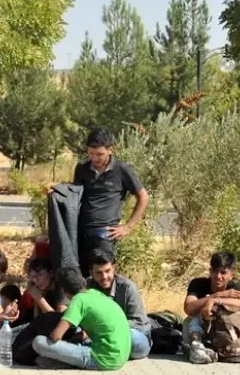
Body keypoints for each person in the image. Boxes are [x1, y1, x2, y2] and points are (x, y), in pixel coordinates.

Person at [69, 128, 150, 265]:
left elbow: (143, 197)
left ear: (110, 150)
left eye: (99, 154)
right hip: (81, 231)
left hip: (105, 234)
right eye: (91, 153)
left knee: (102, 274)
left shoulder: (122, 169)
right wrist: (57, 190)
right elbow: (75, 193)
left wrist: (128, 227)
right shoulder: (82, 168)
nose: (94, 158)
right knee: (81, 278)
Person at [32, 267, 131, 371]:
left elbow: (56, 336)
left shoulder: (78, 301)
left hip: (102, 360)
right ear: (83, 281)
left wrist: (56, 336)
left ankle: (68, 361)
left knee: (39, 342)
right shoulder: (95, 293)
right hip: (122, 357)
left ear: (64, 292)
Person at [182, 252, 240, 365]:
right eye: (215, 271)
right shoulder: (198, 284)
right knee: (192, 319)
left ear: (231, 274)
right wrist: (215, 296)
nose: (218, 276)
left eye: (223, 273)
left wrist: (215, 301)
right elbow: (188, 307)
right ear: (210, 271)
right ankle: (197, 346)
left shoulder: (235, 287)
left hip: (225, 334)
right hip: (202, 330)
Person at [84, 249, 152, 360]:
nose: (104, 277)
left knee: (134, 339)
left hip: (131, 336)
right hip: (101, 337)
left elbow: (138, 322)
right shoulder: (87, 286)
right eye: (98, 273)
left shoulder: (128, 287)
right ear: (91, 272)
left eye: (107, 271)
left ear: (114, 268)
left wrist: (104, 328)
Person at [17, 257, 65, 326]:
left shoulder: (62, 290)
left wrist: (39, 298)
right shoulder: (41, 289)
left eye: (40, 274)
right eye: (33, 276)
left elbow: (57, 322)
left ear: (51, 273)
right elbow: (37, 319)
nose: (36, 280)